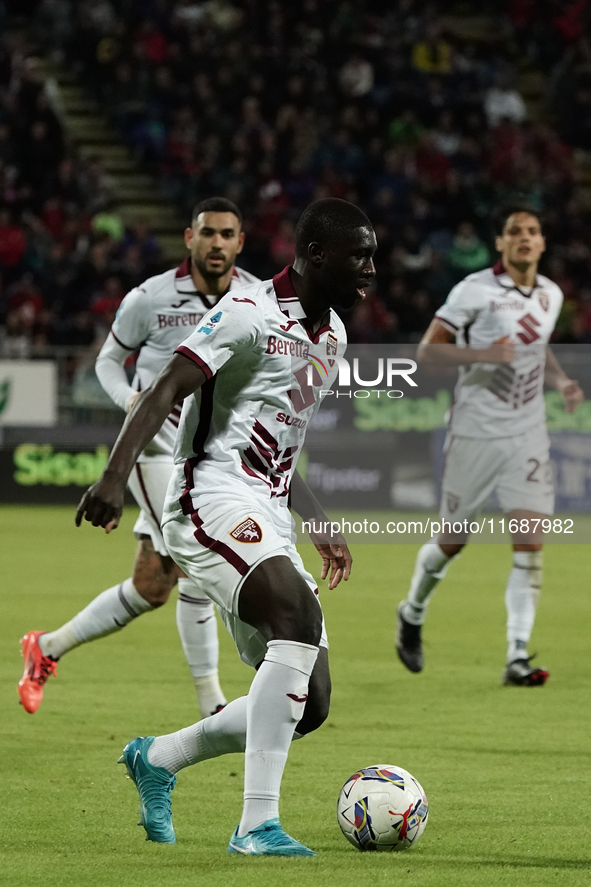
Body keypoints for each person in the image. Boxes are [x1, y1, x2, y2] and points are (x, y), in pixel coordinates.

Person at [75, 197, 376, 856]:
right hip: (204, 495)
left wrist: (316, 519)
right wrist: (111, 477)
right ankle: (254, 825)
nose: (370, 269)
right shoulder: (247, 312)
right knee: (295, 616)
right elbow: (163, 389)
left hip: (263, 509)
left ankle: (158, 756)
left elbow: (277, 442)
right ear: (315, 254)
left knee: (310, 700)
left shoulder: (331, 338)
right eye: (359, 255)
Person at [18, 197, 259, 718]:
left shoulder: (254, 298)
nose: (216, 243)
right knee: (195, 560)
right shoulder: (149, 298)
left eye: (227, 235)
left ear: (240, 242)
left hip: (213, 452)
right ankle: (212, 705)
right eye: (208, 233)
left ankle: (46, 648)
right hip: (154, 450)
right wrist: (132, 400)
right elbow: (108, 361)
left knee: (152, 586)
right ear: (189, 238)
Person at [396, 204, 584, 685]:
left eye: (533, 231)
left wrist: (560, 381)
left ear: (543, 244)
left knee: (530, 547)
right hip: (475, 433)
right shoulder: (474, 291)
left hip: (528, 434)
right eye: (514, 232)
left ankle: (516, 656)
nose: (524, 238)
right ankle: (412, 611)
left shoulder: (551, 294)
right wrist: (483, 354)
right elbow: (427, 352)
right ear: (499, 243)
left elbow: (536, 344)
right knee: (451, 543)